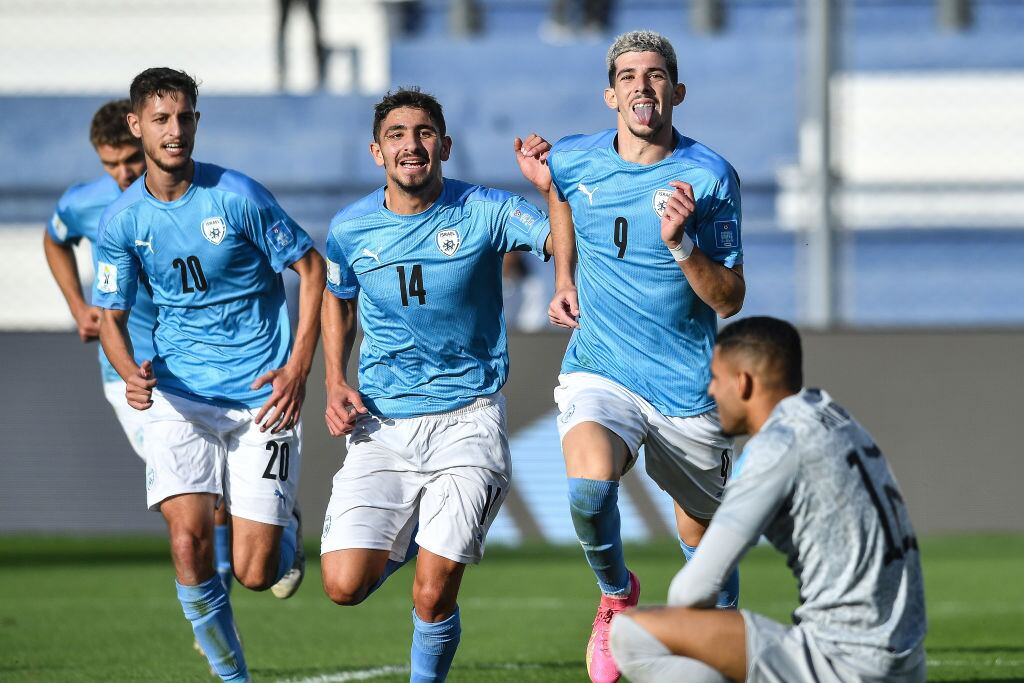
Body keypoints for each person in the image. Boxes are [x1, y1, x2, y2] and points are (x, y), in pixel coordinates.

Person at [94, 67, 325, 682]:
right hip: (178, 394)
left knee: (254, 572)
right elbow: (111, 317)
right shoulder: (121, 222)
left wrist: (299, 365)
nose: (176, 131)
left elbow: (311, 267)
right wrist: (128, 372)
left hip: (260, 399)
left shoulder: (237, 197)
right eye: (163, 119)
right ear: (136, 125)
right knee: (187, 544)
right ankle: (233, 679)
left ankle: (287, 529)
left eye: (186, 118)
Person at [318, 87, 553, 682]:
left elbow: (555, 236)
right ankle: (420, 539)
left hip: (467, 420)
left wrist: (551, 189)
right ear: (377, 152)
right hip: (381, 424)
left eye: (424, 133)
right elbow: (337, 298)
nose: (411, 145)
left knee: (433, 592)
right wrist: (334, 380)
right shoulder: (350, 229)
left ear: (444, 145)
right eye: (397, 135)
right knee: (343, 587)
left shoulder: (485, 210)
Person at [537, 30, 746, 683]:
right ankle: (615, 593)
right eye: (628, 76)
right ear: (610, 94)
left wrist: (683, 245)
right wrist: (564, 277)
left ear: (677, 91)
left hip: (686, 385)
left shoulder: (710, 176)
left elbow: (731, 297)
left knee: (705, 560)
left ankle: (725, 636)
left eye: (655, 75)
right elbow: (560, 193)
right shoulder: (575, 157)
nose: (642, 86)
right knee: (589, 485)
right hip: (603, 365)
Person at [610, 316, 927, 683]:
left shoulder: (778, 445)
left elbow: (692, 589)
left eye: (715, 378)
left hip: (844, 661)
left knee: (630, 632)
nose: (710, 391)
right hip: (905, 662)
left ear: (742, 382)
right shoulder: (837, 418)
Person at [42, 100, 237, 599]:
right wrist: (76, 304)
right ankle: (216, 585)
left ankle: (233, 565)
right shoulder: (88, 204)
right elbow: (54, 238)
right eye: (111, 164)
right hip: (127, 372)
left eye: (130, 158)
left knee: (213, 484)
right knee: (187, 491)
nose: (124, 172)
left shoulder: (189, 198)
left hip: (196, 361)